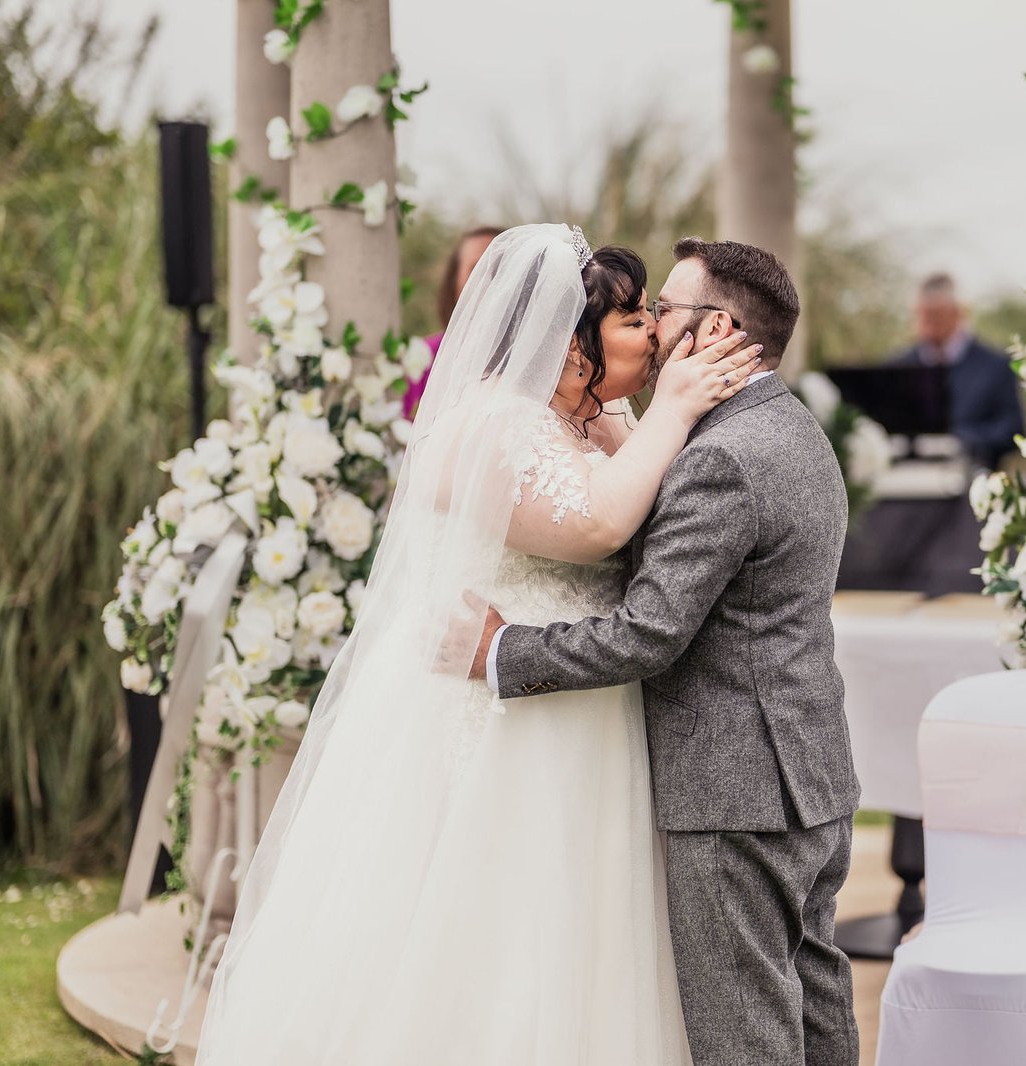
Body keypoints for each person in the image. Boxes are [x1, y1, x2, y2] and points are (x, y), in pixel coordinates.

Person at [195, 225, 762, 1064]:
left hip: (588, 717)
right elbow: (602, 522)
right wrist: (676, 405)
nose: (653, 332)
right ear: (572, 349)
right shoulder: (486, 427)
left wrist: (671, 411)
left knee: (587, 939)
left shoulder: (599, 423)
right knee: (490, 939)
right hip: (498, 725)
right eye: (634, 318)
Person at [461, 237, 861, 1066]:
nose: (648, 329)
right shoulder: (791, 427)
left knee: (745, 1036)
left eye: (662, 311)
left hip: (736, 792)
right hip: (811, 778)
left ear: (713, 330)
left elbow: (650, 631)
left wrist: (505, 653)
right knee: (815, 1005)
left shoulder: (719, 457)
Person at [886, 272, 1023, 471]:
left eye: (935, 315)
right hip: (907, 486)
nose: (927, 322)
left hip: (974, 484)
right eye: (922, 314)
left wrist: (961, 440)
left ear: (958, 313)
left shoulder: (995, 366)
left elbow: (1013, 429)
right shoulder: (896, 368)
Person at [401, 225, 504, 418]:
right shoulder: (424, 356)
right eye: (477, 268)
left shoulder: (537, 359)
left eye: (500, 267)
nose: (488, 277)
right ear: (455, 280)